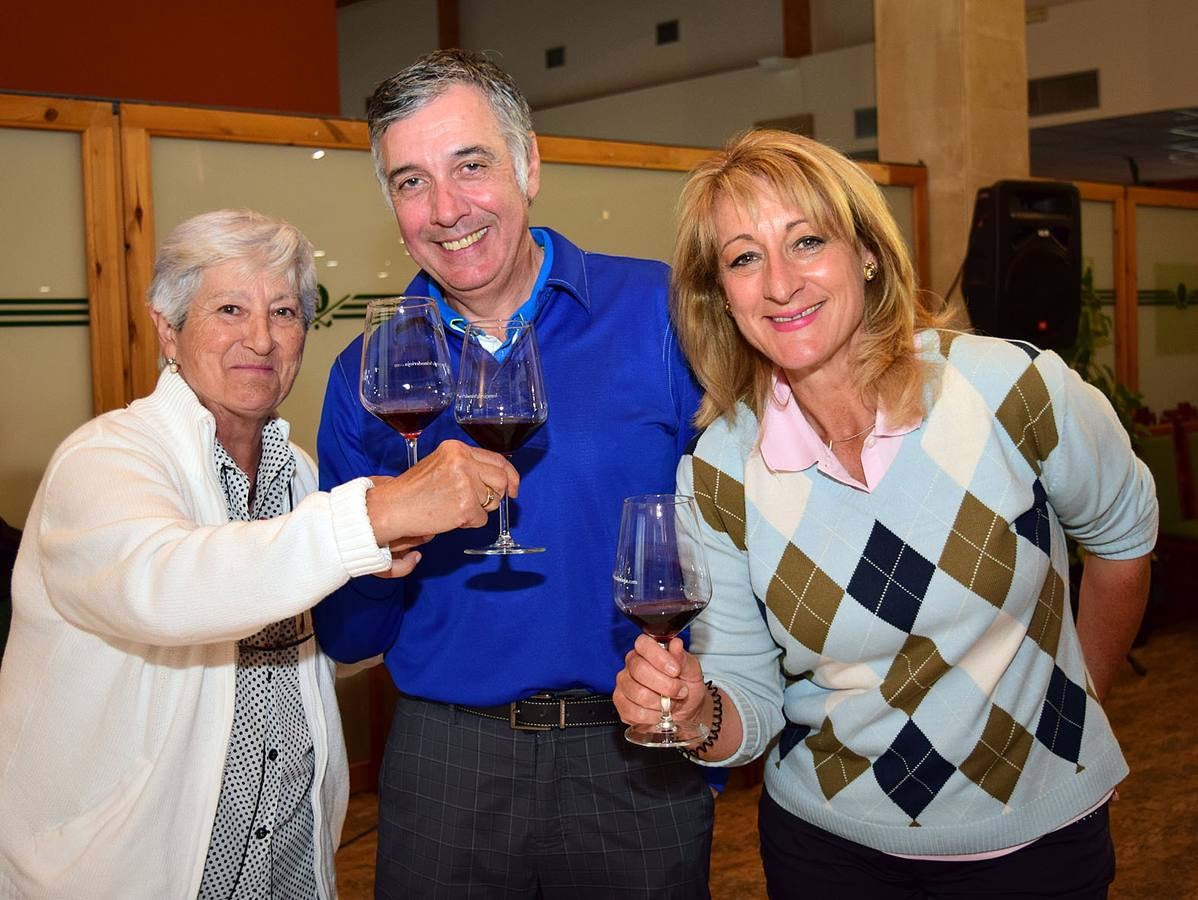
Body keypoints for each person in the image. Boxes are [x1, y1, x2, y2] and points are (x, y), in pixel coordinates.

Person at [613, 130, 1158, 899]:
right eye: (743, 258)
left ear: (867, 252)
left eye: (806, 241)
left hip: (1040, 846)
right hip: (829, 854)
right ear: (720, 295)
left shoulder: (1013, 390)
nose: (779, 283)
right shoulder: (719, 470)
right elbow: (751, 702)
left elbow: (1126, 539)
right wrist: (698, 711)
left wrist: (1081, 700)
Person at [0, 209, 517, 899]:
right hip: (129, 874)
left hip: (288, 867)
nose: (261, 338)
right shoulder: (103, 461)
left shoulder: (296, 472)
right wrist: (376, 512)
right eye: (229, 309)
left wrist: (376, 576)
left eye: (283, 311)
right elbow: (171, 586)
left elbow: (298, 659)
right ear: (167, 329)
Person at [313, 50, 714, 898]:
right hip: (443, 762)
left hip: (634, 749)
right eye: (411, 181)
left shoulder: (664, 313)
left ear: (529, 163)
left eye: (471, 165)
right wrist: (392, 537)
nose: (447, 209)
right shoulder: (368, 375)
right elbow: (349, 635)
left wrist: (710, 722)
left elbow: (746, 523)